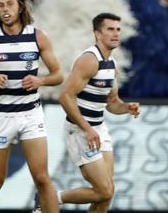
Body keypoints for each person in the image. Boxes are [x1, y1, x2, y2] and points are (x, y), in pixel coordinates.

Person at [0, 0, 64, 213]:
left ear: (20, 7)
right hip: (1, 116)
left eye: (9, 4)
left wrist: (40, 81)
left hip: (31, 115)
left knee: (42, 178)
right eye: (1, 5)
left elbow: (58, 74)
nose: (5, 9)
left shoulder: (37, 36)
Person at [55, 13, 140, 212]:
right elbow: (65, 97)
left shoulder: (111, 63)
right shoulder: (89, 59)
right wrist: (87, 129)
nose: (116, 33)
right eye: (110, 29)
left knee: (107, 192)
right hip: (79, 130)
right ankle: (49, 197)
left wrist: (126, 107)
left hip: (98, 129)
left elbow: (112, 102)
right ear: (97, 33)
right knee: (104, 191)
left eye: (118, 29)